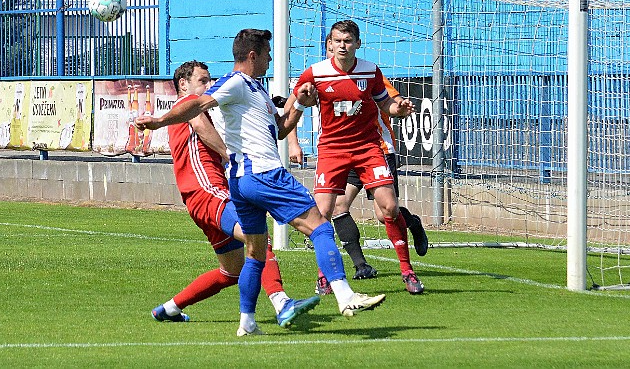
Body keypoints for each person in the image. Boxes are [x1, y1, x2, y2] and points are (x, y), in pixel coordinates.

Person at [136, 29, 386, 337]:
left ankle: (247, 323)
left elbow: (280, 130)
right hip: (264, 174)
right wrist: (160, 121)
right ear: (253, 55)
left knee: (254, 252)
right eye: (267, 53)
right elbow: (198, 106)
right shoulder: (236, 82)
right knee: (320, 226)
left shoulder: (256, 92)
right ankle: (346, 296)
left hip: (241, 184)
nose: (270, 58)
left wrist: (299, 105)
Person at [150, 60, 320, 329]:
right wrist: (228, 156)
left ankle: (169, 308)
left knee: (232, 270)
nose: (208, 85)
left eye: (209, 80)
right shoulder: (189, 106)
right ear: (183, 84)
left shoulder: (199, 107)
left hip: (199, 197)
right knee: (257, 239)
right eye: (202, 80)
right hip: (208, 189)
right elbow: (202, 127)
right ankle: (281, 301)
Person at [285, 20, 425, 295]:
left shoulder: (370, 71)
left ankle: (407, 271)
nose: (342, 46)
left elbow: (386, 103)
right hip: (332, 150)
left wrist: (399, 109)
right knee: (323, 212)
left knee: (389, 208)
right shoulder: (316, 73)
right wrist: (293, 142)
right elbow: (295, 104)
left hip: (367, 148)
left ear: (357, 44)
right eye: (337, 41)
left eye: (348, 41)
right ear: (329, 45)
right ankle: (324, 276)